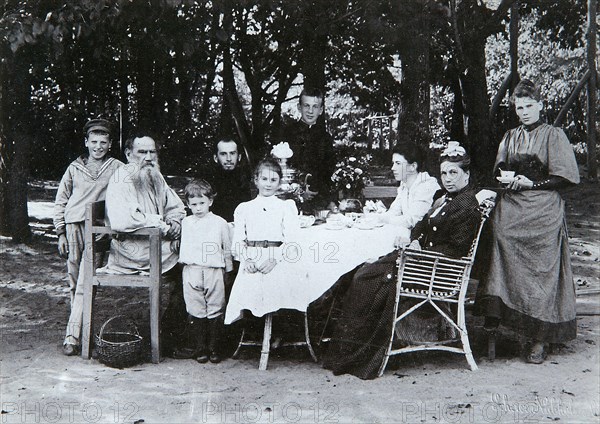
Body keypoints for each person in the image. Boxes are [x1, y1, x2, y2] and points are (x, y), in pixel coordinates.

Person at [311, 144, 481, 379]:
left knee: (366, 279)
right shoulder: (445, 198)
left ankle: (356, 354)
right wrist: (413, 239)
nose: (448, 179)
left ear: (467, 174)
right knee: (363, 270)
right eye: (444, 173)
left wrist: (420, 249)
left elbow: (457, 249)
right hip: (421, 260)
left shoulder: (467, 204)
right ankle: (345, 349)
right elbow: (422, 225)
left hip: (437, 270)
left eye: (454, 173)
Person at [474, 79, 580, 364]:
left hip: (543, 205)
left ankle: (539, 336)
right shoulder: (510, 136)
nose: (524, 112)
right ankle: (497, 314)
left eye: (529, 106)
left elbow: (566, 178)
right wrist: (508, 176)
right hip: (513, 202)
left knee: (540, 263)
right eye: (519, 107)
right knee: (498, 234)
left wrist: (534, 182)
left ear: (540, 106)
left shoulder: (553, 135)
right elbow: (501, 168)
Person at [62, 131, 186, 356]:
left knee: (198, 265)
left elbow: (174, 205)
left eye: (152, 151)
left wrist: (176, 219)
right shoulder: (121, 178)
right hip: (134, 252)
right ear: (129, 154)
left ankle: (168, 334)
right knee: (193, 265)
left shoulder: (155, 175)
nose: (147, 157)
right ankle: (168, 338)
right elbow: (123, 220)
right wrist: (165, 226)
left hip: (156, 246)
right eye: (141, 152)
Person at [224, 158, 307, 325]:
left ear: (279, 183)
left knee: (279, 289)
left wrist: (276, 259)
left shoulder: (285, 207)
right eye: (264, 179)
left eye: (273, 180)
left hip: (276, 259)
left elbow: (292, 241)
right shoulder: (244, 208)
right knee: (250, 291)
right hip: (251, 259)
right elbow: (238, 240)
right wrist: (245, 259)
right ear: (256, 180)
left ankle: (280, 331)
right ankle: (254, 330)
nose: (268, 184)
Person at [54, 119, 122, 309]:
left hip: (97, 228)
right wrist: (61, 233)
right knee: (74, 278)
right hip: (73, 226)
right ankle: (81, 330)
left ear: (110, 145)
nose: (98, 147)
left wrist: (110, 227)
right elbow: (61, 200)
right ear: (86, 142)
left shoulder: (117, 168)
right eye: (94, 142)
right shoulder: (74, 168)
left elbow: (124, 200)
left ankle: (77, 332)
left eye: (103, 143)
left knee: (89, 279)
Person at [176, 180, 233, 364]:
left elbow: (227, 248)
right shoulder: (186, 222)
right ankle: (200, 348)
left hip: (213, 270)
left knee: (215, 307)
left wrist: (228, 270)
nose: (198, 208)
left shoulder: (220, 223)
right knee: (195, 307)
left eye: (202, 203)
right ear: (188, 205)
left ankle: (214, 348)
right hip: (192, 270)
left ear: (210, 201)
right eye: (193, 204)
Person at [372, 142, 441, 241]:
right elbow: (394, 211)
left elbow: (412, 220)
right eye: (393, 163)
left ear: (413, 167)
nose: (393, 168)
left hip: (423, 243)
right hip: (408, 237)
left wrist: (382, 219)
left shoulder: (426, 185)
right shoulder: (404, 185)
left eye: (398, 163)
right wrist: (374, 217)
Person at [280, 87, 336, 203]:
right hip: (291, 198)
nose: (310, 111)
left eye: (315, 107)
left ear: (320, 110)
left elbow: (328, 170)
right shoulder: (287, 134)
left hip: (319, 198)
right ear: (299, 107)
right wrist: (298, 192)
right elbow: (281, 169)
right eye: (306, 106)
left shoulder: (326, 138)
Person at [203, 137, 252, 223]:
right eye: (223, 154)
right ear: (215, 158)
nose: (228, 158)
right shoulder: (207, 182)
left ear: (239, 157)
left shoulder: (245, 180)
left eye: (232, 153)